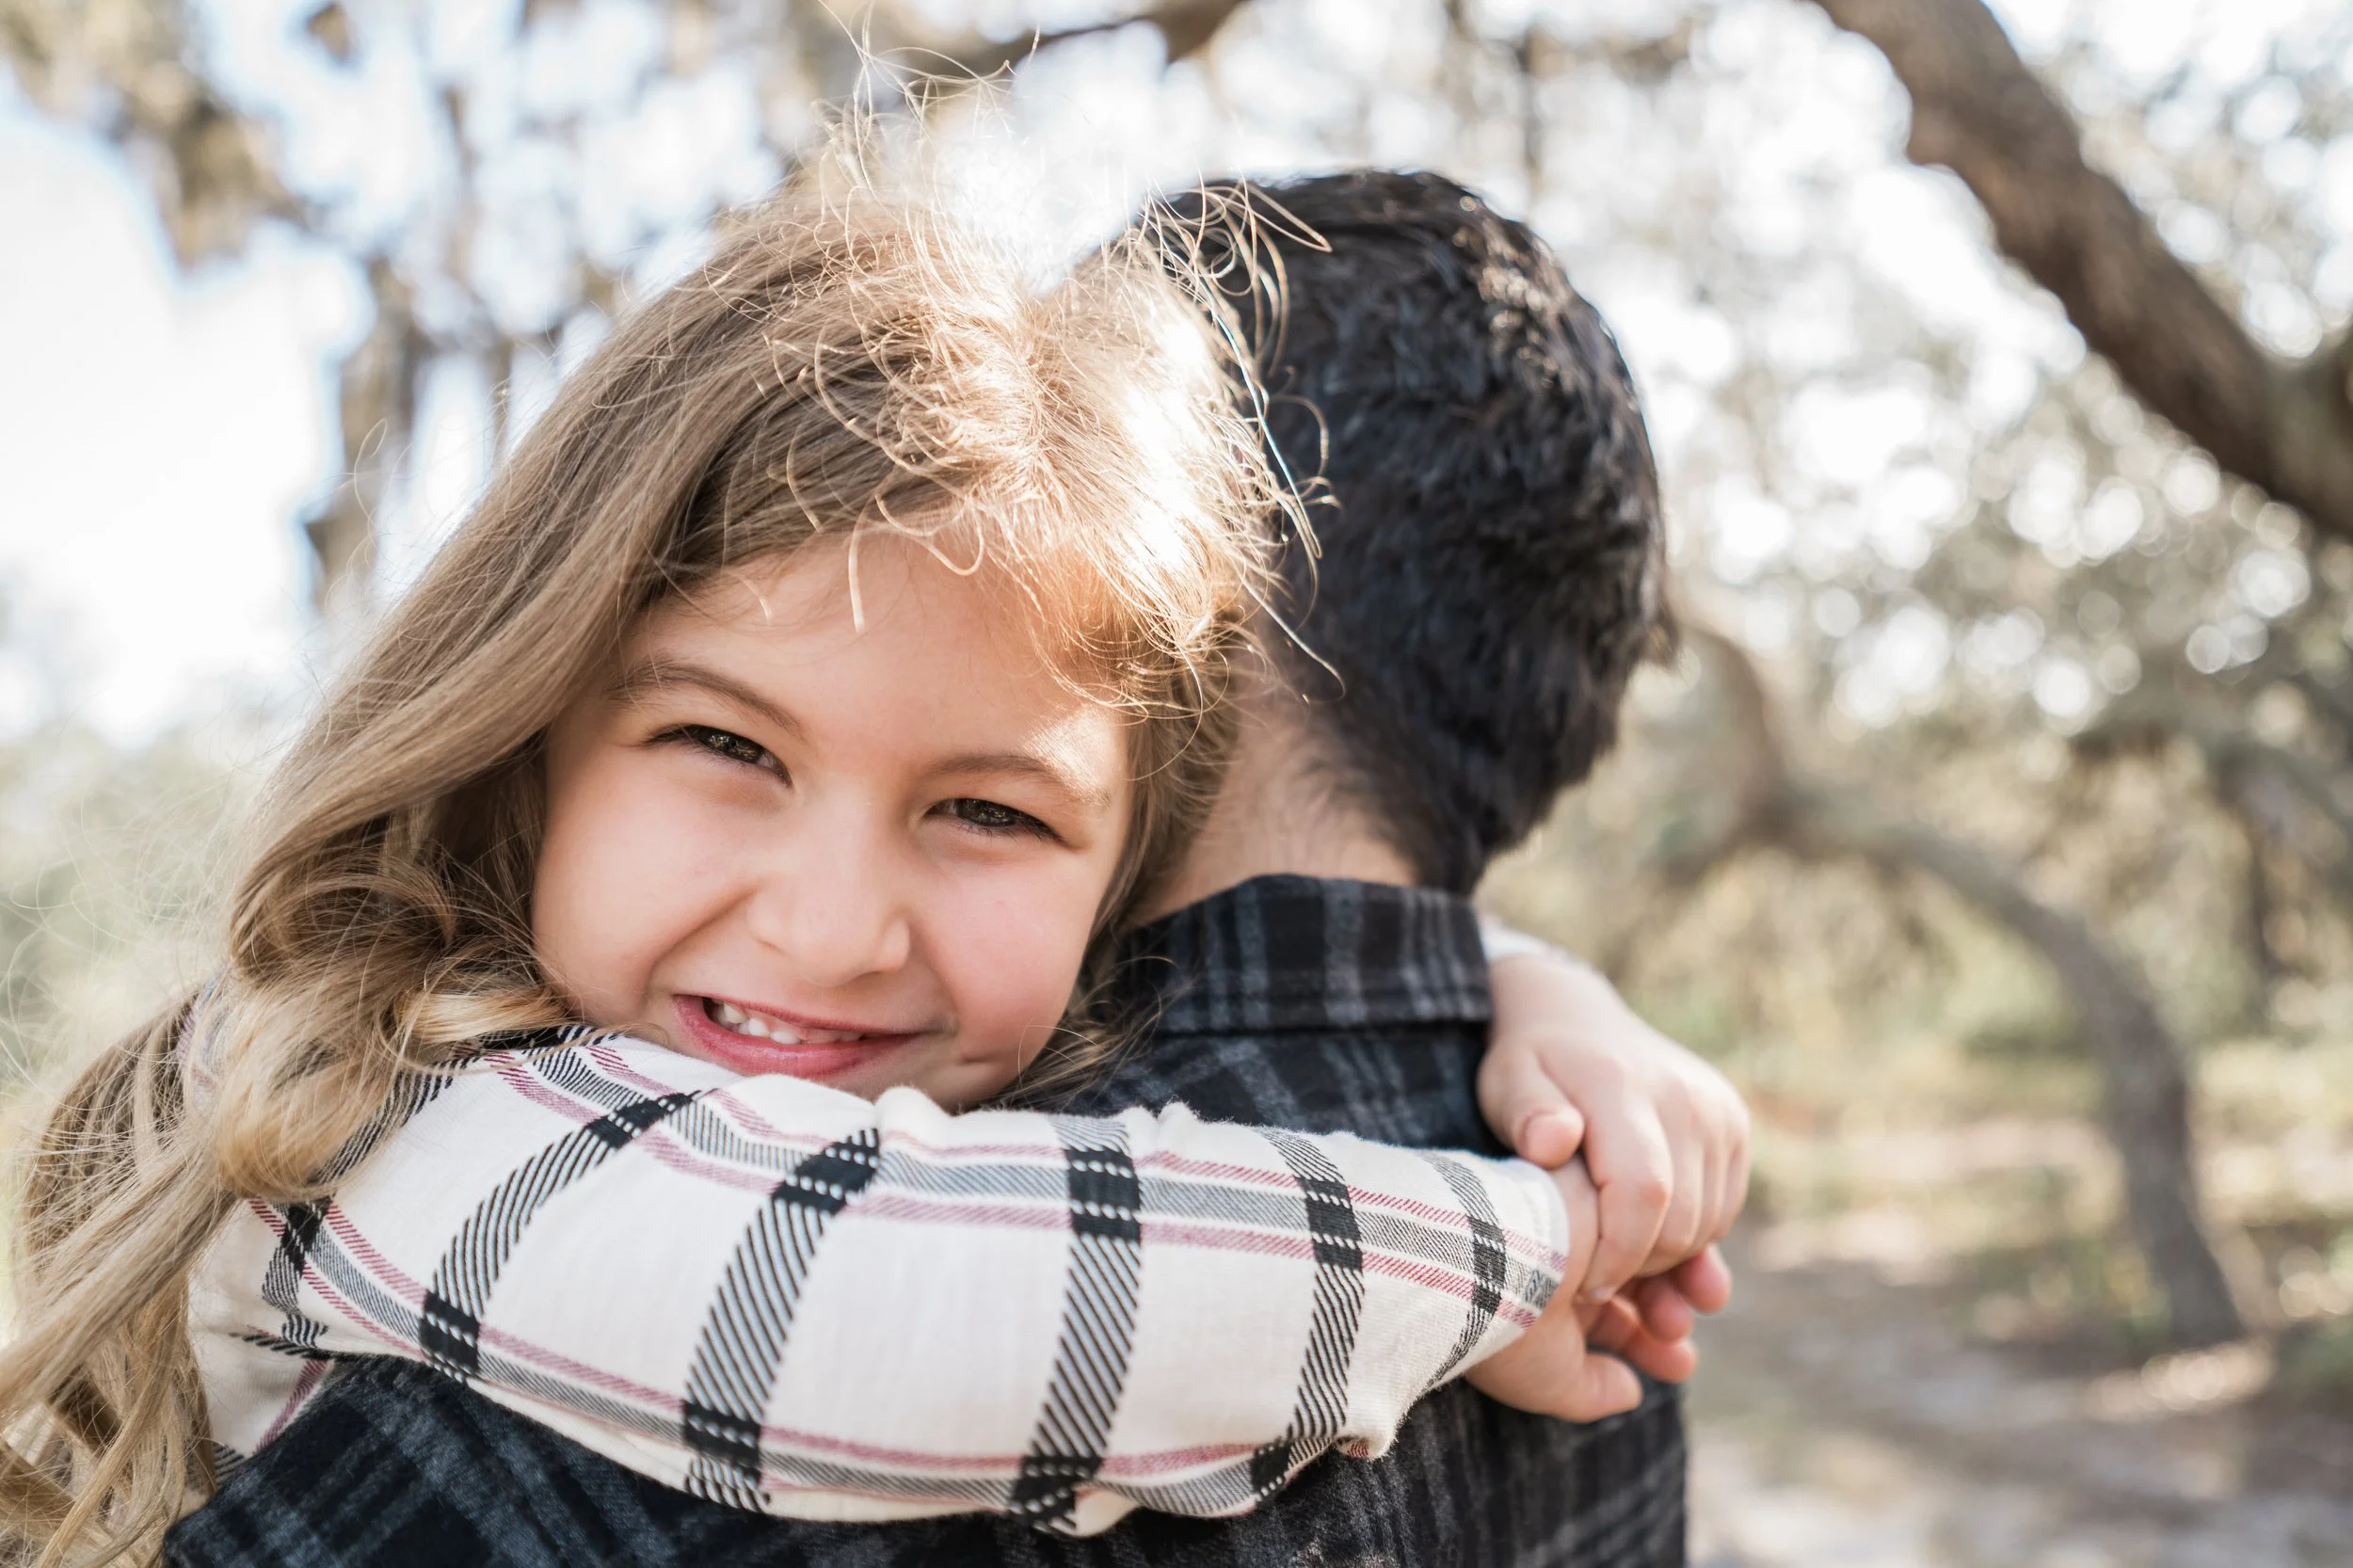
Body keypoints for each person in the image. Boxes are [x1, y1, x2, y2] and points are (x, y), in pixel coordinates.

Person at [0, 146, 1724, 1568]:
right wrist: (1533, 1228)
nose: (829, 932)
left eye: (990, 807)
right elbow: (886, 1293)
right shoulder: (375, 1099)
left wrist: (1542, 1002)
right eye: (728, 746)